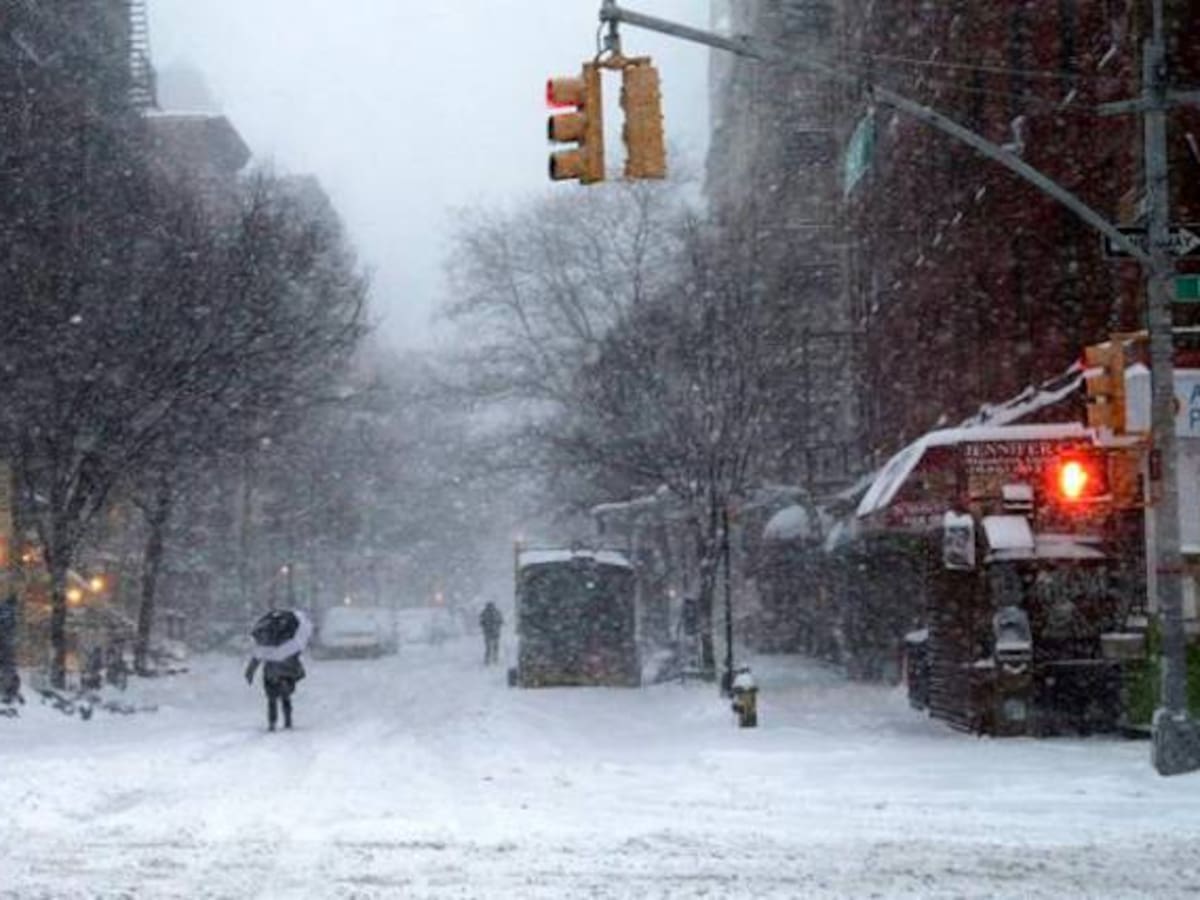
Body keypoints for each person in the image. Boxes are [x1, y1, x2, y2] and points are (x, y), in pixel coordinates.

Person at [244, 652, 305, 731]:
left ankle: (272, 722)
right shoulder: (288, 645)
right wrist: (300, 673)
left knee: (272, 700)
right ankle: (288, 720)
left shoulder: (267, 645)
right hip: (286, 675)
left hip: (271, 675)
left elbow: (257, 657)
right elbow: (296, 661)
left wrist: (250, 672)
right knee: (286, 698)